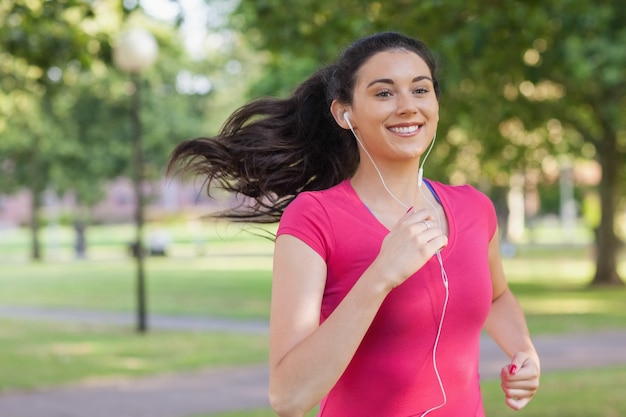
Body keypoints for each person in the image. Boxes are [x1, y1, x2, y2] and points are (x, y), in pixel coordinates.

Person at [168, 32, 540, 417]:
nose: (407, 106)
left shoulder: (474, 208)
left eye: (420, 90)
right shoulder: (315, 218)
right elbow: (289, 397)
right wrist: (380, 276)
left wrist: (523, 350)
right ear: (345, 114)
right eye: (383, 93)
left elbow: (497, 296)